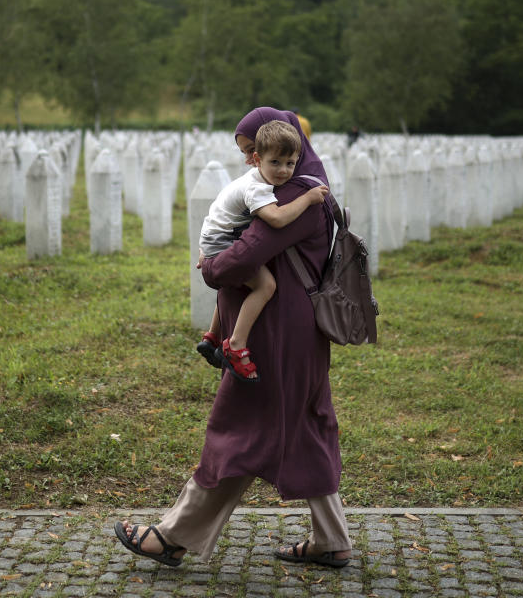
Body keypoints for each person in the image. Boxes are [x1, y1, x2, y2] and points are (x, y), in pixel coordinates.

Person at [114, 107, 353, 569]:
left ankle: (173, 536)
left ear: (290, 152)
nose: (253, 161)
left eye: (254, 152)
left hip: (277, 332)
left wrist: (209, 266)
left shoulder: (298, 194)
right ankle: (332, 539)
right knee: (305, 424)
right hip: (297, 329)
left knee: (239, 428)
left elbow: (243, 257)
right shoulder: (304, 185)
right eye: (250, 153)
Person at [195, 120, 329, 383]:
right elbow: (277, 219)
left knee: (235, 283)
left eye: (290, 163)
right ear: (257, 159)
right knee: (266, 286)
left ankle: (212, 335)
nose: (283, 171)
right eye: (275, 163)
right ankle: (235, 344)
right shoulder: (256, 187)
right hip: (223, 241)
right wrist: (308, 198)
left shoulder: (253, 178)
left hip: (215, 236)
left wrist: (205, 248)